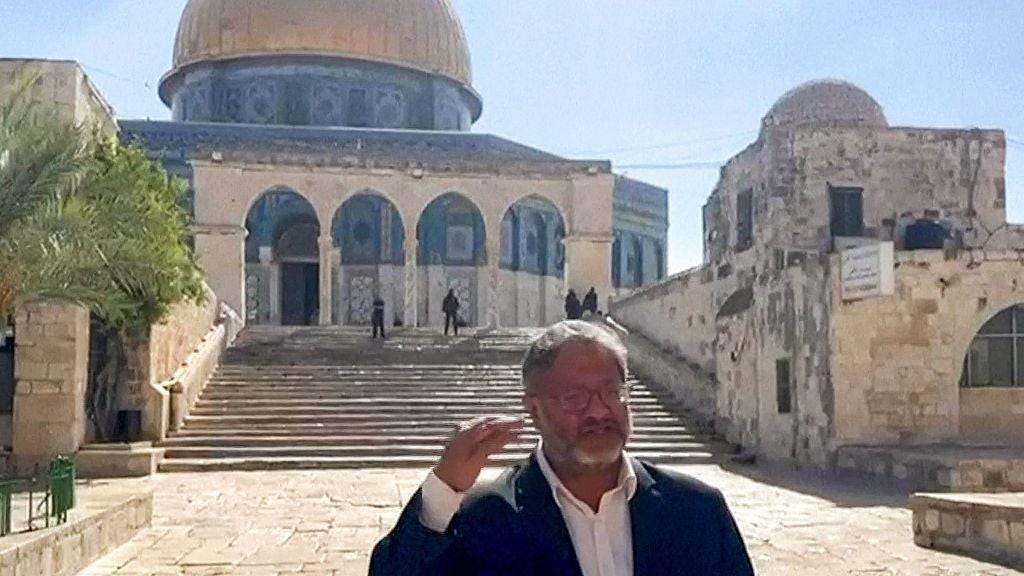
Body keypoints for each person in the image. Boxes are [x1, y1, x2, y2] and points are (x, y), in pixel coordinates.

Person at [370, 321, 754, 576]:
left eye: (612, 392)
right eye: (575, 397)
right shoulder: (485, 519)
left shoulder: (697, 511)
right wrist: (443, 489)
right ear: (533, 408)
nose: (600, 410)